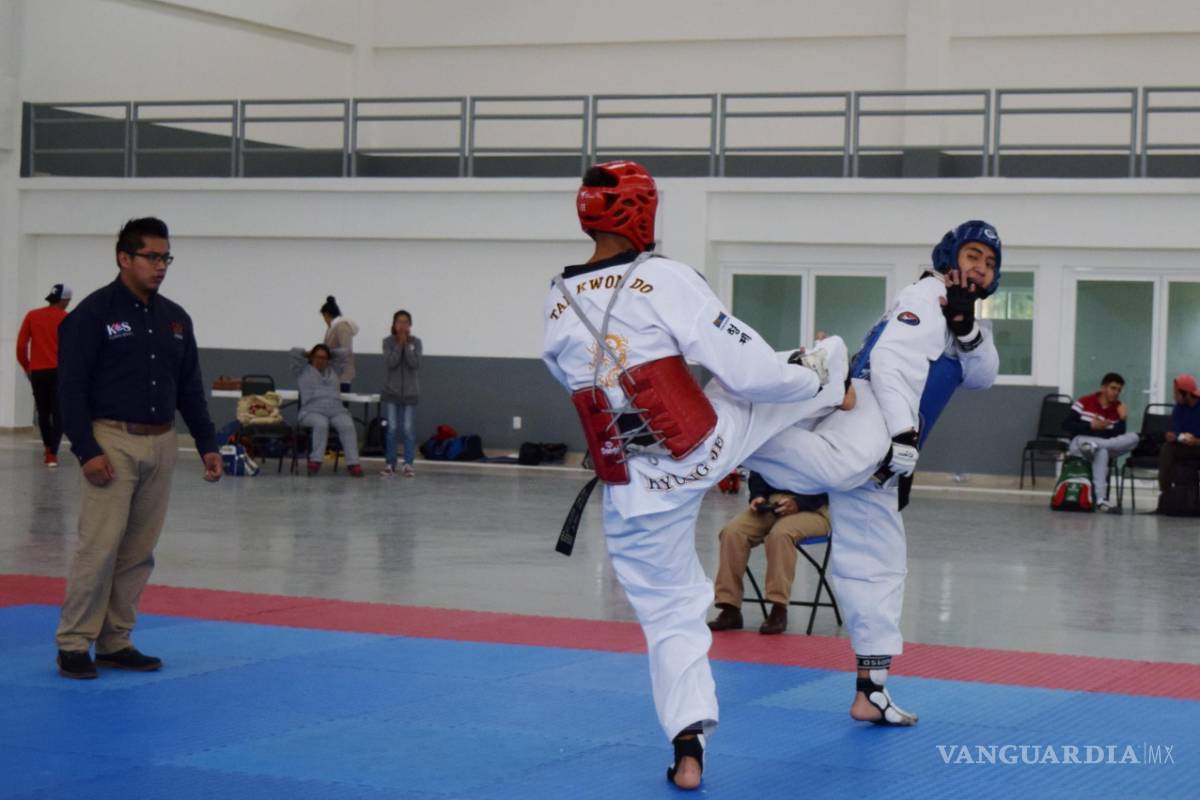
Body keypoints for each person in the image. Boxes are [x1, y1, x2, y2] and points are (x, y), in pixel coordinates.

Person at [542, 161, 840, 790]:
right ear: (643, 213)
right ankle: (836, 381)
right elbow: (750, 369)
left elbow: (573, 375)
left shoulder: (557, 297)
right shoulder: (664, 277)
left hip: (629, 487)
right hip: (701, 448)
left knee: (670, 616)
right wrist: (806, 378)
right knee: (785, 376)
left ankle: (688, 747)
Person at [740, 219, 1003, 727]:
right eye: (973, 256)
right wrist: (903, 435)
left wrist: (967, 326)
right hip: (873, 413)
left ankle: (871, 690)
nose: (980, 268)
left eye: (990, 263)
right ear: (950, 256)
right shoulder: (924, 296)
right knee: (839, 465)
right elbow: (890, 363)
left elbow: (983, 376)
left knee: (879, 563)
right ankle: (722, 431)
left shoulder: (959, 317)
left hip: (893, 448)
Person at [54, 217, 223, 680]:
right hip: (111, 440)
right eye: (151, 256)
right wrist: (86, 450)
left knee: (138, 551)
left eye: (166, 257)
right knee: (100, 547)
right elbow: (70, 389)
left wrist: (207, 443)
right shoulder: (92, 314)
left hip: (161, 441)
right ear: (124, 258)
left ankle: (115, 640)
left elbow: (189, 388)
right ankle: (74, 642)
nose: (160, 265)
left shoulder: (175, 319)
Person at [708, 470, 830, 635]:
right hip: (773, 503)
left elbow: (833, 480)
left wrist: (799, 503)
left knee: (780, 535)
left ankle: (778, 608)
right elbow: (759, 469)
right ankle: (729, 607)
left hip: (815, 509)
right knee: (732, 533)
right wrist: (758, 496)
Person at [1063, 372, 1140, 513]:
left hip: (1101, 446)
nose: (1116, 393)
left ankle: (1100, 500)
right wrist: (1091, 426)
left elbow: (1119, 434)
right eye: (1113, 388)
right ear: (1103, 387)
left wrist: (1123, 418)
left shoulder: (1118, 407)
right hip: (1081, 444)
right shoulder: (1085, 401)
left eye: (1119, 390)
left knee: (1134, 438)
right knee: (1102, 450)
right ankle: (1101, 499)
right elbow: (1066, 425)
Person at [16, 283, 72, 467]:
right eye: (68, 300)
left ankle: (47, 448)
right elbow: (74, 350)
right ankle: (52, 454)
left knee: (43, 412)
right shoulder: (67, 319)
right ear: (64, 300)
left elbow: (21, 346)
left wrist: (28, 367)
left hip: (38, 372)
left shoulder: (32, 315)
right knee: (59, 413)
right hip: (59, 372)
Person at [290, 344, 363, 477]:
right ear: (312, 357)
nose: (320, 360)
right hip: (310, 411)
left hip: (336, 410)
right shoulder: (302, 370)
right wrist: (308, 353)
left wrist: (329, 352)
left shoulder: (334, 369)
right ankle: (315, 461)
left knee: (347, 425)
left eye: (324, 358)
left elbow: (345, 353)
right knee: (321, 423)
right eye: (317, 357)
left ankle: (353, 463)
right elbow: (294, 352)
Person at [380, 310, 421, 478]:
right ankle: (390, 463)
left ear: (410, 325)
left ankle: (408, 463)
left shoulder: (416, 342)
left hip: (410, 393)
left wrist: (406, 346)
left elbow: (414, 363)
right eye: (399, 322)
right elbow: (391, 362)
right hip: (392, 392)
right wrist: (399, 345)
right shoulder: (387, 342)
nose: (402, 325)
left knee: (408, 429)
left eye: (405, 322)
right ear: (394, 324)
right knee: (392, 428)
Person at [1158, 373, 1200, 498]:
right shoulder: (1178, 408)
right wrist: (1172, 436)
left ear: (1186, 394)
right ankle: (1165, 495)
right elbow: (1176, 431)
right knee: (1167, 448)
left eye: (1176, 393)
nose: (1174, 397)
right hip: (1186, 447)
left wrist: (1197, 442)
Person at [320, 296, 359, 392]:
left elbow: (346, 350)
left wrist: (327, 354)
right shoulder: (331, 328)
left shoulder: (342, 327)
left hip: (341, 376)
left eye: (324, 317)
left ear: (326, 315)